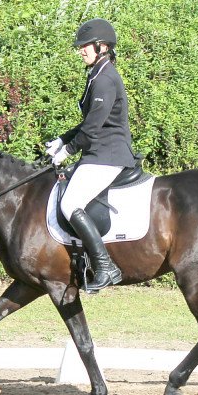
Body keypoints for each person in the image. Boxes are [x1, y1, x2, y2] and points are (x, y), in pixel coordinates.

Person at [46, 18, 137, 291]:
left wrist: (68, 151)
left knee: (69, 203)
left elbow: (94, 127)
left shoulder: (106, 78)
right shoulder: (97, 74)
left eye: (84, 46)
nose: (80, 50)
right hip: (99, 152)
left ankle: (106, 266)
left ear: (102, 46)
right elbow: (88, 124)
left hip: (107, 155)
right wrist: (62, 140)